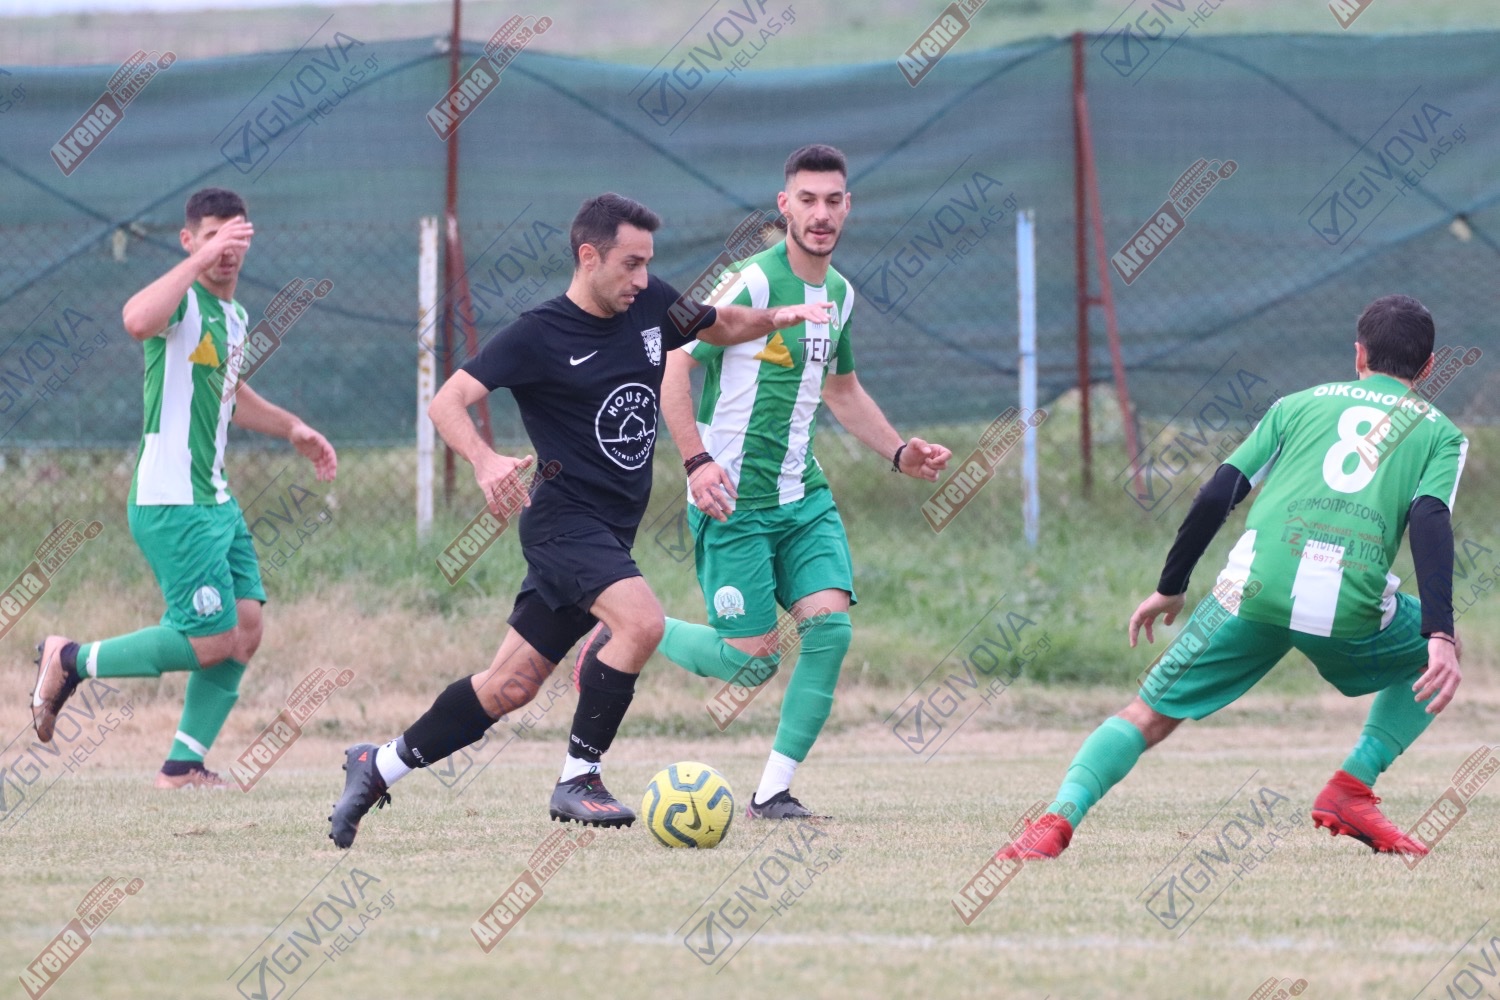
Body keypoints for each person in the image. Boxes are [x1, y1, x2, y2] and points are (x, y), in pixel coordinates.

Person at [327, 192, 834, 847]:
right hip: (563, 525)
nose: (642, 279)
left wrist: (774, 317)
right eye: (630, 264)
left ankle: (379, 764)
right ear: (588, 256)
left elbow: (718, 324)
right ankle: (578, 777)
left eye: (648, 263)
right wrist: (484, 460)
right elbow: (448, 400)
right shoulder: (538, 335)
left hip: (608, 533)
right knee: (642, 622)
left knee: (508, 687)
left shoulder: (651, 306)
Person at [997, 294, 1466, 860]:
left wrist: (1171, 585)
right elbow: (1429, 519)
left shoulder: (1295, 406)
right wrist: (1439, 633)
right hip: (1349, 608)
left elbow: (1221, 489)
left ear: (1358, 354)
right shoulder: (1441, 433)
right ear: (1428, 366)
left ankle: (1057, 818)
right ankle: (1352, 786)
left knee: (1146, 715)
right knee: (1432, 655)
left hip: (1248, 591)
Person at [615, 144, 950, 819]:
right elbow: (673, 366)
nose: (821, 214)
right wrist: (696, 462)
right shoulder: (750, 283)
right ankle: (625, 631)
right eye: (808, 200)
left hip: (803, 500)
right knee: (751, 661)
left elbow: (842, 389)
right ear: (784, 206)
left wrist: (898, 452)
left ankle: (772, 792)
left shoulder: (841, 295)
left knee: (830, 632)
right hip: (732, 501)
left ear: (847, 208)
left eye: (833, 201)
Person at [31, 187, 338, 789]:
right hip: (172, 500)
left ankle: (182, 766)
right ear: (189, 240)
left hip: (215, 500)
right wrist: (199, 262)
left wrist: (291, 428)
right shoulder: (182, 302)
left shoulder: (235, 317)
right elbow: (135, 319)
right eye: (213, 237)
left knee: (245, 629)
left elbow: (229, 392)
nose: (226, 249)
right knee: (210, 641)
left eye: (236, 237)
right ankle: (70, 659)